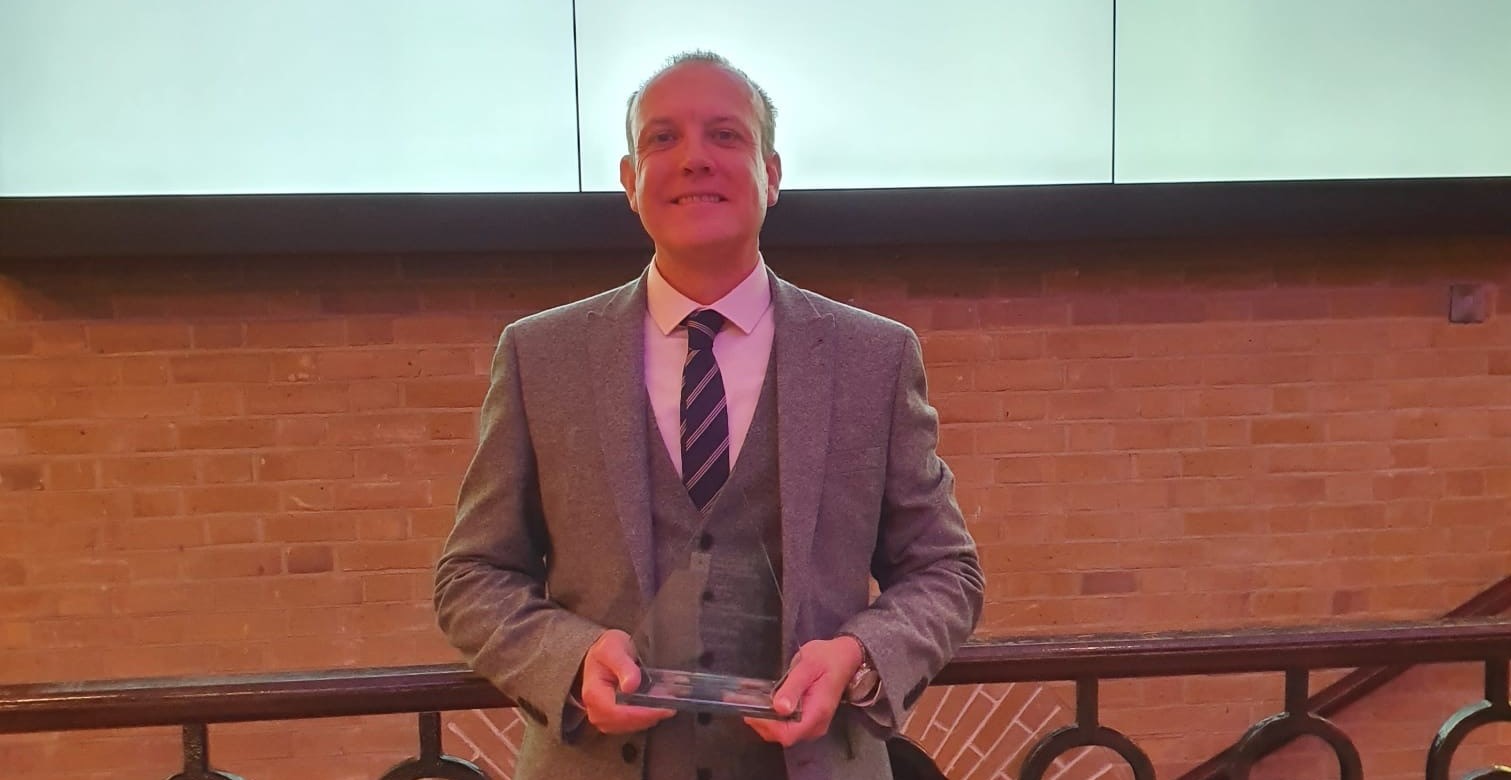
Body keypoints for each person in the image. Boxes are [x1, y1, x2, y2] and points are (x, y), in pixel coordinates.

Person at [434, 51, 983, 780]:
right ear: (630, 181)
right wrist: (569, 659)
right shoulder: (540, 357)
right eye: (662, 138)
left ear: (771, 174)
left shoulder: (873, 358)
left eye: (725, 135)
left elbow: (945, 570)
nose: (694, 158)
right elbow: (472, 574)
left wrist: (859, 657)